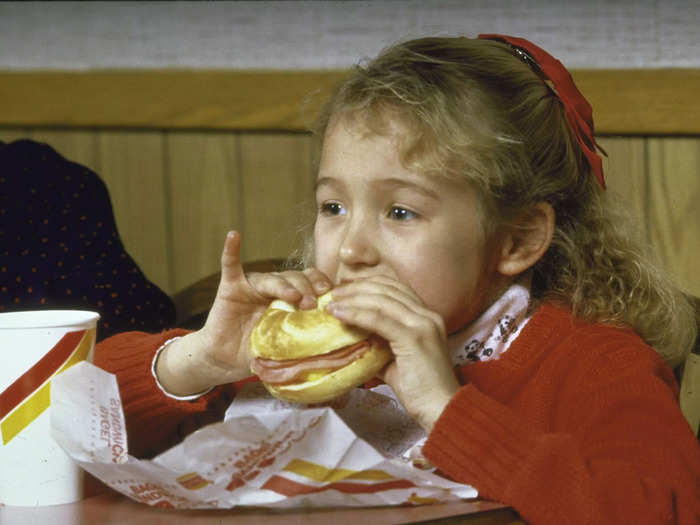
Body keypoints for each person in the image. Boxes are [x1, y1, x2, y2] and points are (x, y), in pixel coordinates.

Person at [94, 35, 700, 524]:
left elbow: (663, 510)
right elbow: (43, 425)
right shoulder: (298, 359)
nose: (352, 249)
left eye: (400, 212)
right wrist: (198, 360)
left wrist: (447, 408)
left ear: (516, 240)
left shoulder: (593, 363)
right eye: (333, 207)